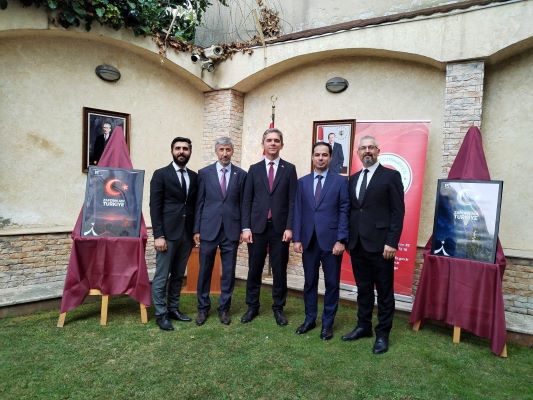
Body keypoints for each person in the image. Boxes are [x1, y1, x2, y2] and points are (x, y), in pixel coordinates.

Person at [342, 135, 405, 354]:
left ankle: (383, 334)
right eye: (363, 148)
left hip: (381, 247)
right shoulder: (352, 179)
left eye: (371, 147)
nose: (367, 151)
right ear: (358, 153)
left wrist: (392, 242)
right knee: (363, 289)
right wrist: (347, 239)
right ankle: (363, 326)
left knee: (385, 292)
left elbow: (398, 212)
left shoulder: (391, 176)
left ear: (378, 150)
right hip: (357, 245)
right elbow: (353, 210)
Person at [292, 142, 349, 340]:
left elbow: (344, 211)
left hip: (332, 243)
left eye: (325, 155)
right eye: (317, 154)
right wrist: (297, 238)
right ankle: (310, 319)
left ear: (330, 157)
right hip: (309, 241)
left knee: (331, 284)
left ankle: (327, 324)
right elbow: (298, 211)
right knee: (310, 282)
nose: (321, 158)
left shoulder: (340, 182)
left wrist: (341, 240)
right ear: (312, 157)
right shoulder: (302, 182)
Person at [241, 128, 297, 326]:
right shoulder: (254, 169)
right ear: (263, 144)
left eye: (276, 140)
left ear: (282, 144)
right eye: (269, 140)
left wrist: (290, 227)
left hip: (280, 229)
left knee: (279, 270)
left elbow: (292, 201)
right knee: (254, 269)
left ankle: (278, 308)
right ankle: (252, 306)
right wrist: (245, 228)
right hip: (256, 228)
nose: (273, 143)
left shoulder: (289, 169)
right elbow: (247, 200)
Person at [193, 137, 247, 326]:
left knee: (229, 272)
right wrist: (196, 229)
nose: (225, 153)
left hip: (231, 231)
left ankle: (224, 309)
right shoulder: (204, 173)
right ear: (216, 151)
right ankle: (203, 308)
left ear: (232, 151)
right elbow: (199, 202)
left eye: (228, 150)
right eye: (221, 150)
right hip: (208, 229)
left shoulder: (241, 175)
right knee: (204, 271)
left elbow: (243, 204)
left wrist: (243, 229)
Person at [149, 137, 198, 331]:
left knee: (178, 275)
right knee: (162, 276)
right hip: (167, 235)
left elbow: (194, 205)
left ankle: (173, 309)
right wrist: (158, 235)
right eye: (178, 148)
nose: (181, 151)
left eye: (185, 148)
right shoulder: (161, 174)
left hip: (186, 234)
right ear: (172, 151)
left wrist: (195, 232)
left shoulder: (194, 177)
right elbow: (155, 207)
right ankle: (161, 314)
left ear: (190, 152)